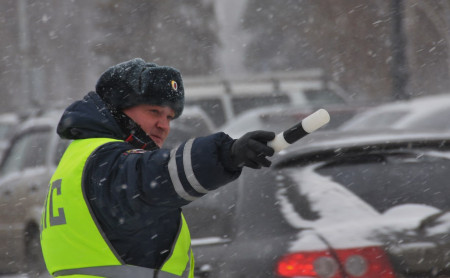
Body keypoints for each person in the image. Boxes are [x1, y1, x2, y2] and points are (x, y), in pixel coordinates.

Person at [40, 58, 275, 278]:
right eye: (154, 111)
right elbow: (156, 175)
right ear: (116, 110)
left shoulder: (82, 157)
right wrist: (226, 154)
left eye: (170, 117)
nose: (163, 125)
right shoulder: (107, 161)